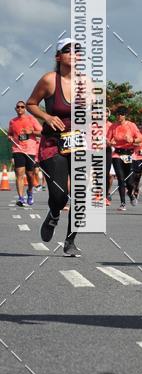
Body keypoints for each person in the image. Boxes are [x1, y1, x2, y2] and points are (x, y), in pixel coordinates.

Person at [26, 38, 83, 256]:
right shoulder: (50, 80)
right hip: (53, 144)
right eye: (68, 50)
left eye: (77, 50)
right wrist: (47, 117)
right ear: (58, 56)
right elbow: (31, 103)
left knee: (80, 194)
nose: (74, 53)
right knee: (60, 196)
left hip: (79, 144)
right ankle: (53, 213)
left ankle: (70, 241)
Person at [107, 108, 142, 212]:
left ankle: (131, 194)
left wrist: (132, 140)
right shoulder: (113, 126)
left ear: (125, 115)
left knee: (130, 182)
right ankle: (123, 203)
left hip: (129, 154)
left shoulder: (131, 125)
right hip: (117, 154)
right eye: (117, 114)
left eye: (121, 114)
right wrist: (110, 143)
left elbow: (140, 138)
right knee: (121, 179)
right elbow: (108, 140)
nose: (119, 116)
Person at [8, 101, 42, 206]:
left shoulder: (31, 119)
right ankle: (21, 198)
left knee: (30, 175)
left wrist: (31, 132)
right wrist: (9, 137)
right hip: (18, 149)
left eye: (22, 107)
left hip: (30, 150)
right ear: (15, 109)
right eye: (18, 107)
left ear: (25, 109)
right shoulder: (12, 122)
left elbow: (41, 132)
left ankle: (30, 191)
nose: (20, 108)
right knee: (19, 173)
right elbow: (10, 134)